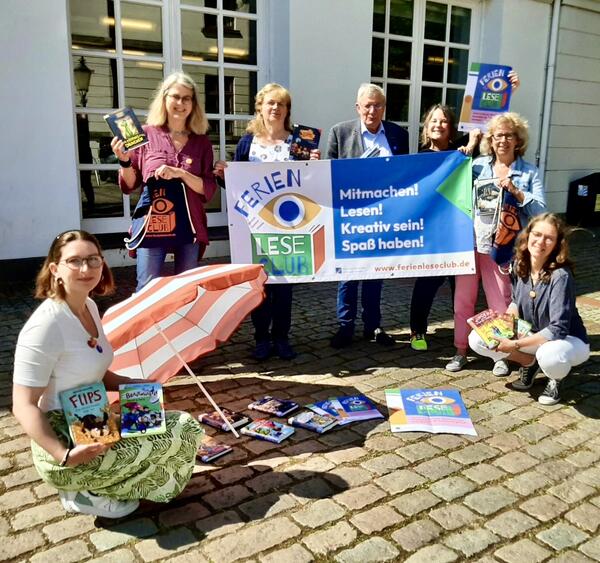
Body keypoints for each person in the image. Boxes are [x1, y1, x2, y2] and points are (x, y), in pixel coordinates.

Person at [12, 230, 204, 518]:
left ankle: (100, 484)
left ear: (102, 264)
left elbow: (95, 369)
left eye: (93, 260)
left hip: (94, 420)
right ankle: (87, 491)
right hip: (64, 434)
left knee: (181, 425)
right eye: (74, 261)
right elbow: (23, 404)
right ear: (55, 269)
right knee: (177, 432)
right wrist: (62, 455)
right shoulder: (45, 326)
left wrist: (133, 384)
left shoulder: (88, 305)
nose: (86, 269)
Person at [214, 83, 320, 361]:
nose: (275, 108)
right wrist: (223, 176)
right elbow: (235, 186)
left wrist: (315, 165)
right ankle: (261, 338)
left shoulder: (297, 144)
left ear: (287, 110)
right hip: (254, 226)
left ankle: (282, 338)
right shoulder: (248, 143)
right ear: (259, 106)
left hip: (287, 225)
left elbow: (308, 185)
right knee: (259, 285)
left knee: (284, 286)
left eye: (281, 104)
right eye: (270, 103)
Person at [447, 112, 547, 374]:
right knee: (463, 300)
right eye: (497, 135)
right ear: (490, 140)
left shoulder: (529, 172)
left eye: (508, 135)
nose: (502, 140)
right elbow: (451, 180)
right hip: (470, 243)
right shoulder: (477, 166)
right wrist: (466, 149)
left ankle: (499, 355)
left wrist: (517, 192)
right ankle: (460, 350)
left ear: (518, 141)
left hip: (502, 248)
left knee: (500, 303)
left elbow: (541, 212)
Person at [468, 213, 590, 405]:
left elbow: (558, 329)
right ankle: (529, 363)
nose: (541, 241)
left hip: (568, 340)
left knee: (549, 354)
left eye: (549, 238)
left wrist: (515, 344)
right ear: (528, 235)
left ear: (557, 243)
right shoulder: (519, 264)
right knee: (478, 339)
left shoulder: (560, 276)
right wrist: (507, 319)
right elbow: (516, 301)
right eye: (537, 234)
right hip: (534, 334)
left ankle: (555, 379)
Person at [111, 71, 217, 291]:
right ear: (164, 98)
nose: (180, 103)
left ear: (193, 104)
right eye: (175, 97)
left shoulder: (201, 142)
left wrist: (181, 174)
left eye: (187, 98)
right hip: (153, 224)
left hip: (190, 224)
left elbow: (207, 189)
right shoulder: (144, 135)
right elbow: (130, 185)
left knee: (187, 290)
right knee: (146, 289)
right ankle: (151, 327)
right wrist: (123, 162)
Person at [327, 83, 409, 349]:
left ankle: (373, 326)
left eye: (378, 105)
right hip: (351, 218)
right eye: (368, 105)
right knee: (348, 276)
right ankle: (345, 327)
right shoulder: (340, 133)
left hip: (383, 218)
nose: (373, 110)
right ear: (358, 107)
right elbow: (327, 174)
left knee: (376, 275)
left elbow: (405, 175)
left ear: (384, 107)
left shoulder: (398, 134)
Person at [408, 104, 480, 352]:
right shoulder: (418, 158)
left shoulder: (463, 152)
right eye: (433, 122)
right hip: (433, 235)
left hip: (459, 232)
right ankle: (417, 330)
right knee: (425, 286)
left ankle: (465, 333)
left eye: (443, 121)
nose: (438, 125)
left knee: (461, 289)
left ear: (451, 127)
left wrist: (507, 90)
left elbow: (485, 126)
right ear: (426, 128)